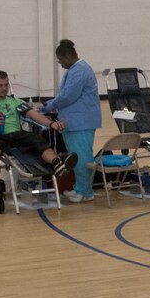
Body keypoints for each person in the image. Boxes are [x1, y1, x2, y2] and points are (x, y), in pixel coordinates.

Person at [0, 69, 77, 214]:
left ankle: (57, 163)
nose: (4, 88)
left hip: (16, 134)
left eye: (6, 85)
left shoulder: (15, 101)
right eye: (0, 85)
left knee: (38, 140)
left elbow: (34, 115)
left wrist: (51, 124)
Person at [39, 39, 101, 203]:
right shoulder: (75, 69)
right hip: (75, 122)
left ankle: (85, 192)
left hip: (81, 122)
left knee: (82, 158)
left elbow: (67, 96)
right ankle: (80, 187)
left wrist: (46, 107)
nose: (60, 63)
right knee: (77, 157)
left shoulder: (79, 70)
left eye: (60, 60)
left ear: (67, 56)